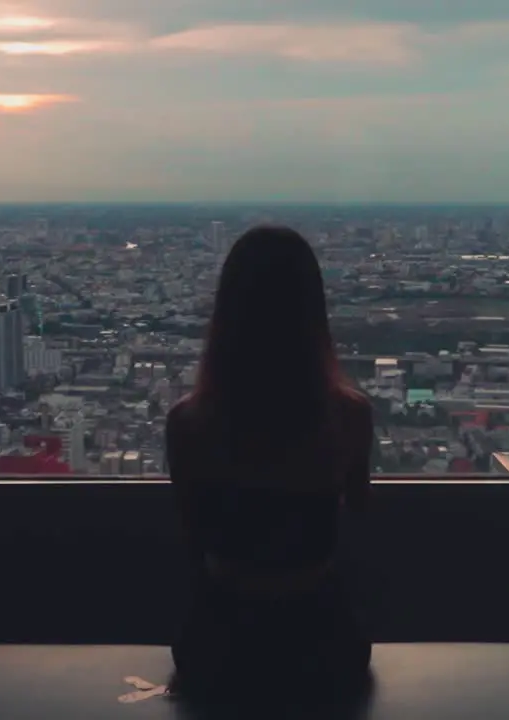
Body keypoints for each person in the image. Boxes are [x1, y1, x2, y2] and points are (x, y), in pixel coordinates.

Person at [166, 224, 375, 702]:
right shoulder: (349, 415)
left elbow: (190, 532)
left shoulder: (188, 422)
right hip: (322, 641)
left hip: (218, 643)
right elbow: (359, 510)